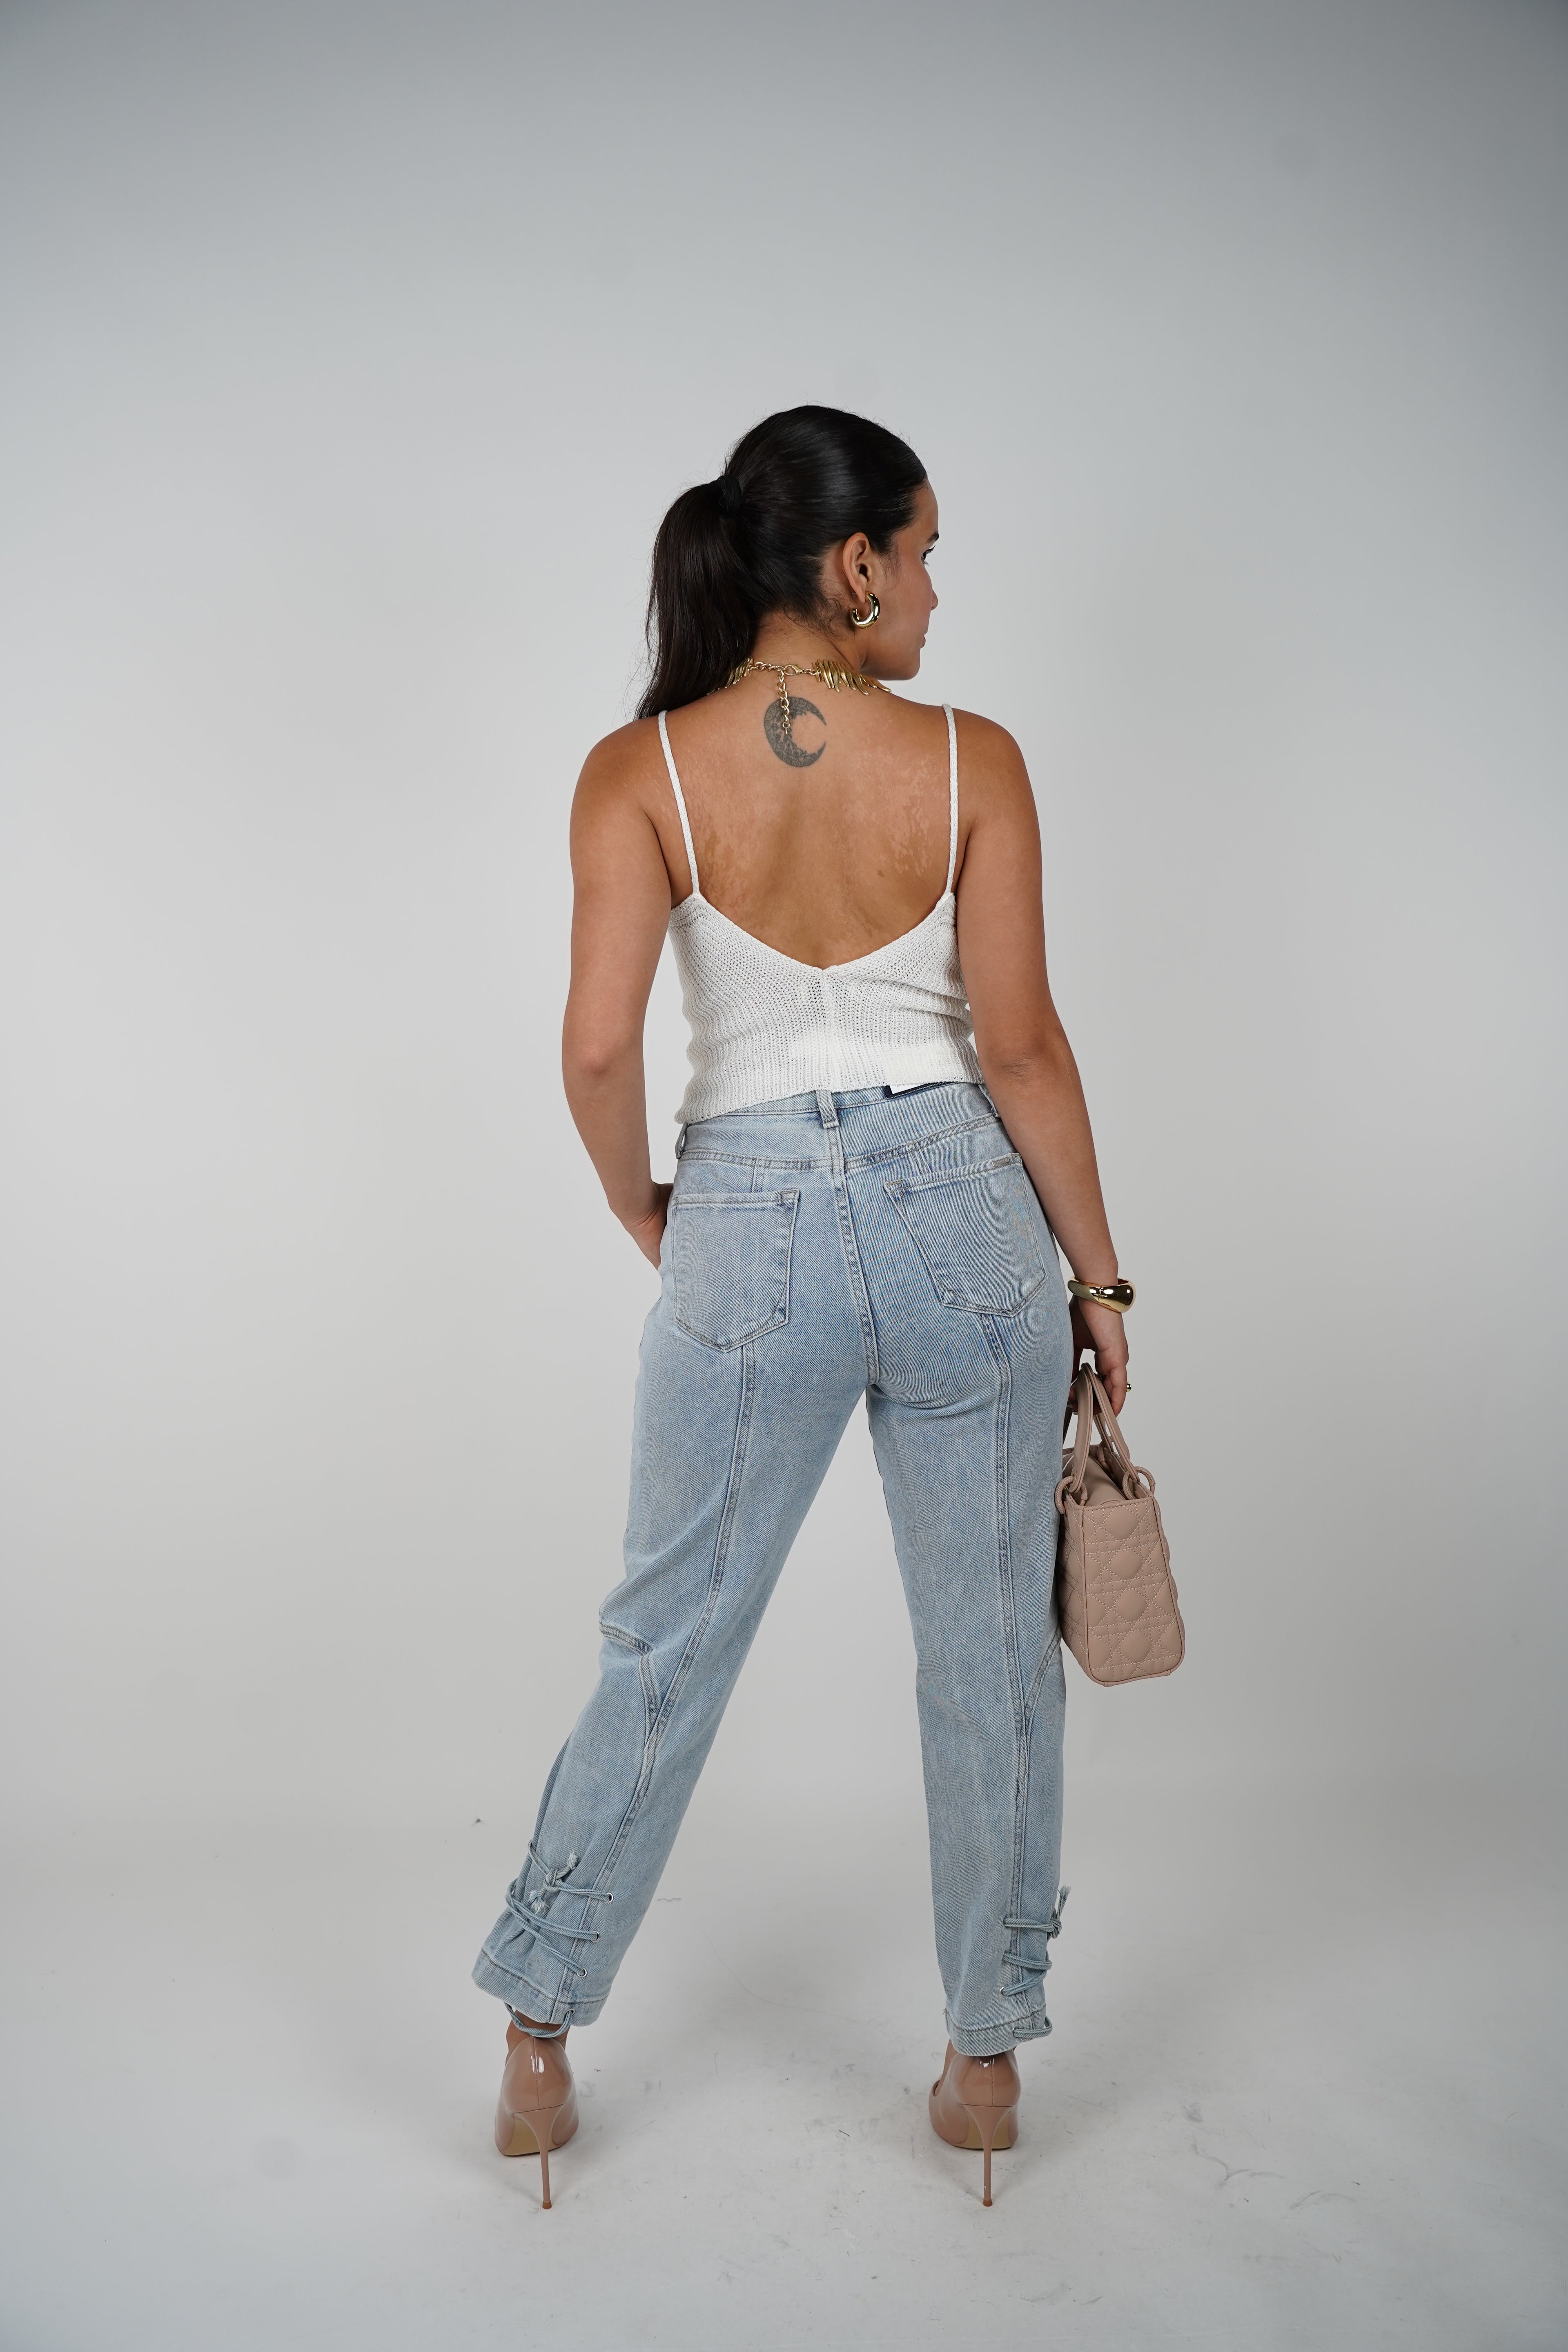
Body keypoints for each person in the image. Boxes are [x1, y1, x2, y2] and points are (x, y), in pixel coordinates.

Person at [472, 406, 1131, 2210]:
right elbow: (1023, 1048)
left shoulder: (640, 772)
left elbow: (597, 1047)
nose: (932, 590)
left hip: (744, 1221)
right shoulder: (974, 757)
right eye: (922, 555)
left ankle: (538, 2040)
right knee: (989, 1651)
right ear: (851, 567)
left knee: (665, 1639)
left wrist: (642, 1203)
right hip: (964, 1221)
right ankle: (984, 2062)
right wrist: (1097, 1277)